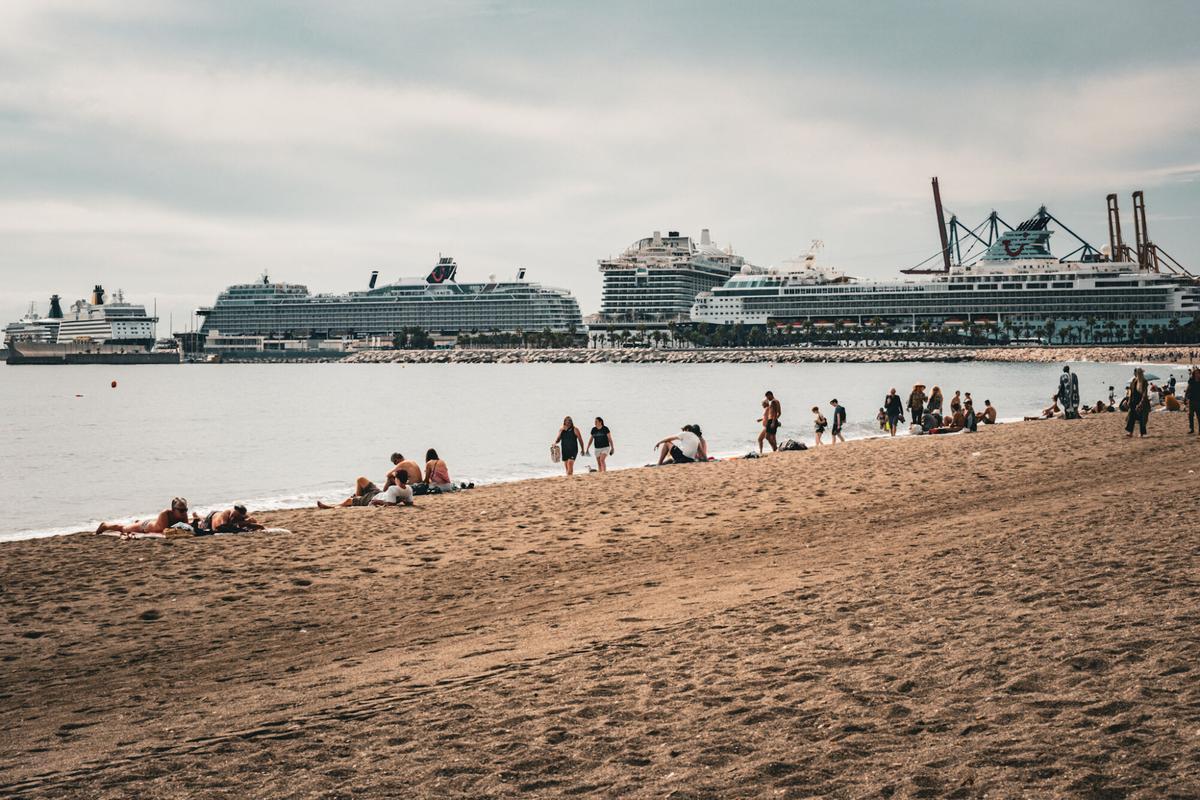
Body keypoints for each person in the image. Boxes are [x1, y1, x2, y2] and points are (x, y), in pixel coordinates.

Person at [96, 497, 190, 537]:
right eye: (181, 510)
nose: (184, 512)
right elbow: (164, 531)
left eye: (185, 509)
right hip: (145, 527)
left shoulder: (183, 514)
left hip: (152, 524)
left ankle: (137, 522)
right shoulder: (165, 514)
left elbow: (187, 528)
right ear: (173, 509)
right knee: (123, 529)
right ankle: (105, 525)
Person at [196, 504, 264, 534]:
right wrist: (244, 523)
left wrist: (259, 526)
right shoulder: (226, 514)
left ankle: (197, 516)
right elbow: (222, 527)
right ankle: (196, 516)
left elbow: (255, 523)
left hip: (217, 515)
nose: (234, 517)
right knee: (202, 525)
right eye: (234, 515)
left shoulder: (243, 515)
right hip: (212, 517)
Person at [1125, 368, 1150, 437]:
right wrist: (1129, 400)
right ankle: (1130, 432)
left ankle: (1142, 433)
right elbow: (1131, 392)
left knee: (1142, 417)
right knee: (1131, 416)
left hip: (1142, 401)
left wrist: (1141, 403)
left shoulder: (1144, 382)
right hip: (1133, 401)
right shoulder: (1134, 381)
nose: (1136, 374)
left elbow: (1144, 393)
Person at [1187, 367, 1200, 434]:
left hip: (1199, 401)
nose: (1197, 374)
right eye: (1195, 373)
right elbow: (1188, 388)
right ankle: (1191, 429)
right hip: (1192, 400)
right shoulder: (1191, 380)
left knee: (1199, 416)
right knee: (1190, 415)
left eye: (1198, 373)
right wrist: (1185, 397)